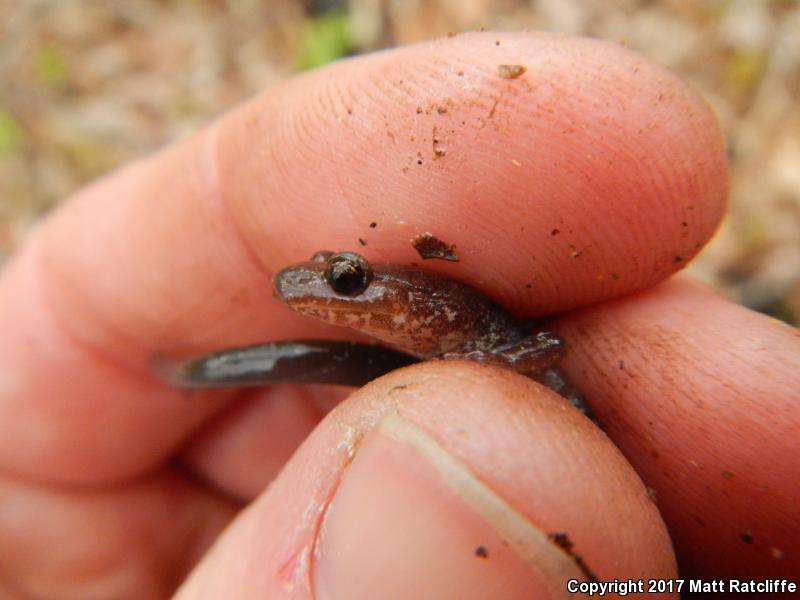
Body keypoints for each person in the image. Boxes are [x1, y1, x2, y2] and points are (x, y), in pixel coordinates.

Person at [0, 32, 796, 599]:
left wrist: (489, 364)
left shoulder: (477, 331)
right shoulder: (431, 348)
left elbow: (546, 344)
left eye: (345, 278)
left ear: (431, 298)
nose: (328, 290)